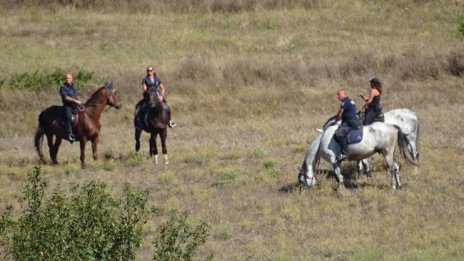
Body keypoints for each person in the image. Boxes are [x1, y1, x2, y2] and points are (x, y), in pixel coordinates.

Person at [333, 90, 361, 160]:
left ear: (344, 94)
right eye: (337, 95)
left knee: (337, 135)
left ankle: (344, 153)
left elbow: (340, 114)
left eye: (339, 95)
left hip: (349, 123)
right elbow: (339, 113)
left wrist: (336, 121)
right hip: (354, 121)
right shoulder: (350, 101)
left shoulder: (344, 102)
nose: (337, 96)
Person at [59, 73, 81, 142]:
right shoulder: (63, 87)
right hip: (68, 106)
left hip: (76, 105)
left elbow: (76, 95)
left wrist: (79, 102)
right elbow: (66, 97)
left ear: (72, 79)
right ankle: (70, 134)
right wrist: (76, 101)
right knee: (68, 117)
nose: (67, 79)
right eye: (66, 78)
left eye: (69, 78)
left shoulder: (74, 86)